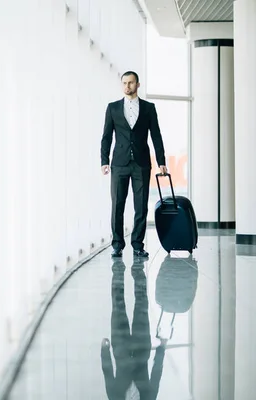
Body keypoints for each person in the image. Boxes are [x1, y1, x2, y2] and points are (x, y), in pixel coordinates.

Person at [100, 71, 167, 258]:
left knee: (141, 206)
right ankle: (117, 244)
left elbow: (156, 135)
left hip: (141, 164)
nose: (127, 86)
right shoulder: (112, 108)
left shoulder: (148, 108)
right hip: (119, 164)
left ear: (138, 84)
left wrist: (161, 161)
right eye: (124, 83)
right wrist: (104, 161)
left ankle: (138, 244)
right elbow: (106, 137)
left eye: (130, 83)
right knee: (117, 206)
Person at [100, 259, 166, 399]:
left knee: (118, 305)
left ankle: (117, 269)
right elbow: (156, 374)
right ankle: (138, 268)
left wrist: (104, 351)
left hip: (120, 348)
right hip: (142, 347)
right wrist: (161, 349)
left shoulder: (115, 398)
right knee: (142, 304)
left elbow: (108, 374)